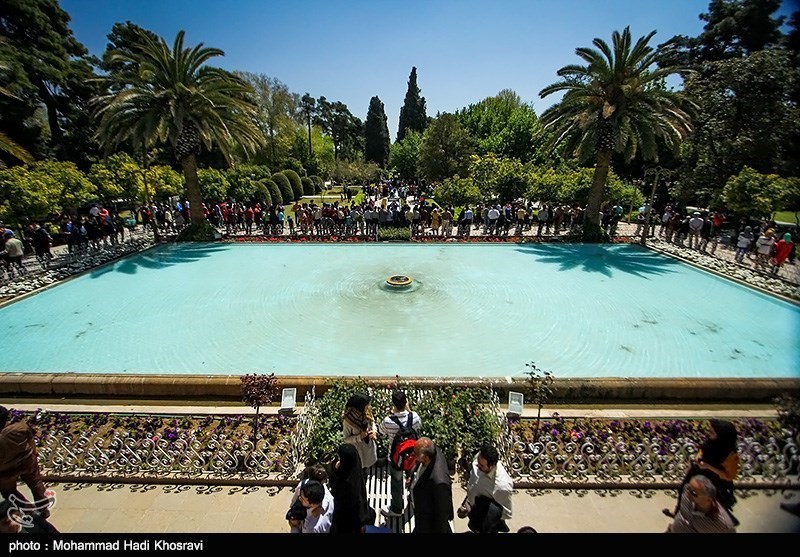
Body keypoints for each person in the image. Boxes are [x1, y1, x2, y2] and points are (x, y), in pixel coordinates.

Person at [664, 419, 739, 520]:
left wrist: (708, 467)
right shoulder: (711, 442)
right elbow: (703, 449)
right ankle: (679, 512)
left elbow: (729, 476)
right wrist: (699, 456)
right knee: (684, 490)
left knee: (707, 500)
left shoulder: (730, 454)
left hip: (714, 480)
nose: (709, 433)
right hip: (698, 472)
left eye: (712, 432)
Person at [0, 407, 51, 519]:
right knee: (36, 484)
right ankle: (43, 509)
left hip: (5, 470)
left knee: (9, 491)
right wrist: (34, 452)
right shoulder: (20, 428)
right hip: (26, 462)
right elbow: (31, 441)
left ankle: (28, 510)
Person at [378, 390, 421, 518]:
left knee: (396, 483)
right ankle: (414, 501)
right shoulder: (415, 417)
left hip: (395, 458)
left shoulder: (388, 421)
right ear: (406, 402)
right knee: (414, 478)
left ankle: (397, 509)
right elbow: (418, 428)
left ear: (393, 404)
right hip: (413, 456)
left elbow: (381, 432)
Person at [457, 443, 513, 533]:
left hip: (486, 520)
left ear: (491, 466)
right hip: (473, 509)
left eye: (482, 466)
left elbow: (505, 512)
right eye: (478, 463)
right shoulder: (479, 459)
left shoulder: (502, 485)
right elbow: (475, 483)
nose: (477, 467)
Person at [410, 437, 453, 533]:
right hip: (421, 513)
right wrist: (412, 477)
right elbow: (419, 466)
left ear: (424, 457)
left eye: (415, 454)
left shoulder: (439, 482)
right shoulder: (432, 452)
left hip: (428, 523)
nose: (413, 455)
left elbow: (442, 514)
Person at [665, 474, 737, 533]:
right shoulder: (687, 491)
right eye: (689, 489)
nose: (687, 494)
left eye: (693, 493)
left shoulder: (722, 523)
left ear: (708, 499)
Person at [329, 443, 374, 533]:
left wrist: (336, 470)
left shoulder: (346, 482)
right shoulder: (355, 468)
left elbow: (335, 486)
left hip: (347, 517)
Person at [342, 392, 377, 472]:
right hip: (358, 450)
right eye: (366, 405)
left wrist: (374, 431)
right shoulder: (348, 421)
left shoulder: (367, 412)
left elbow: (372, 422)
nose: (368, 407)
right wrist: (359, 437)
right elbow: (346, 439)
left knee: (368, 465)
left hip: (369, 446)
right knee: (360, 467)